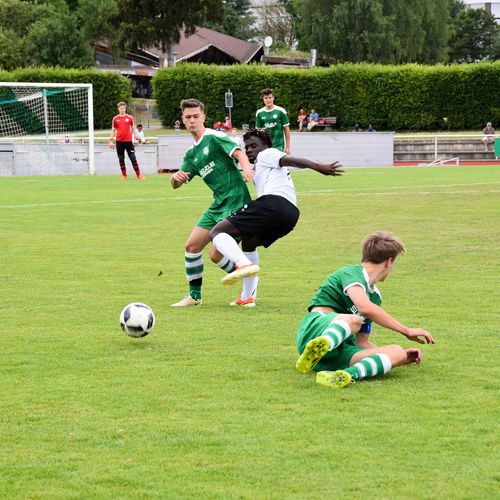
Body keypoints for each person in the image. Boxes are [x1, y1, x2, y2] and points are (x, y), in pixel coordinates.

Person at [209, 129, 344, 307]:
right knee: (249, 241)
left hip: (273, 203)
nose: (249, 150)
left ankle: (242, 264)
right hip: (290, 215)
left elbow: (291, 160)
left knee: (216, 232)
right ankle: (247, 296)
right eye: (246, 147)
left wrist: (318, 167)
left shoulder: (267, 154)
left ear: (266, 146)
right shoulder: (260, 165)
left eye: (253, 146)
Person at [295, 231, 435, 389]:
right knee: (354, 320)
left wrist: (397, 358)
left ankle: (345, 375)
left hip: (340, 351)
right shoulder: (352, 273)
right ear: (389, 262)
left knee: (397, 351)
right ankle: (318, 346)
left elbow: (362, 341)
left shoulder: (375, 297)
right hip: (315, 329)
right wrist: (406, 330)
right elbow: (364, 307)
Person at [170, 98, 254, 307]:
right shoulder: (191, 154)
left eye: (196, 116)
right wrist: (175, 179)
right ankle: (194, 296)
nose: (192, 121)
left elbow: (238, 152)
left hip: (236, 200)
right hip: (218, 204)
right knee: (192, 247)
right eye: (188, 117)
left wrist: (246, 168)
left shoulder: (214, 137)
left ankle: (249, 281)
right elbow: (178, 182)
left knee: (216, 252)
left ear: (203, 117)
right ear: (183, 119)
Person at [109, 102, 144, 180]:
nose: (122, 110)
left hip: (128, 141)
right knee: (121, 158)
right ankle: (124, 175)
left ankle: (139, 175)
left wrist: (136, 136)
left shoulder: (130, 118)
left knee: (133, 158)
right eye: (121, 108)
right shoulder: (115, 118)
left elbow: (133, 128)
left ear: (125, 108)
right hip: (119, 142)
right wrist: (111, 141)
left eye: (123, 108)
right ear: (118, 109)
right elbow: (113, 130)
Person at [255, 88, 291, 154]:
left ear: (273, 98)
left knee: (276, 164)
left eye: (270, 97)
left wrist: (288, 147)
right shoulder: (259, 113)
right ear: (263, 99)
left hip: (279, 146)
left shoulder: (281, 111)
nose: (268, 100)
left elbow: (286, 129)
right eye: (266, 98)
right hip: (265, 147)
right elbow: (258, 132)